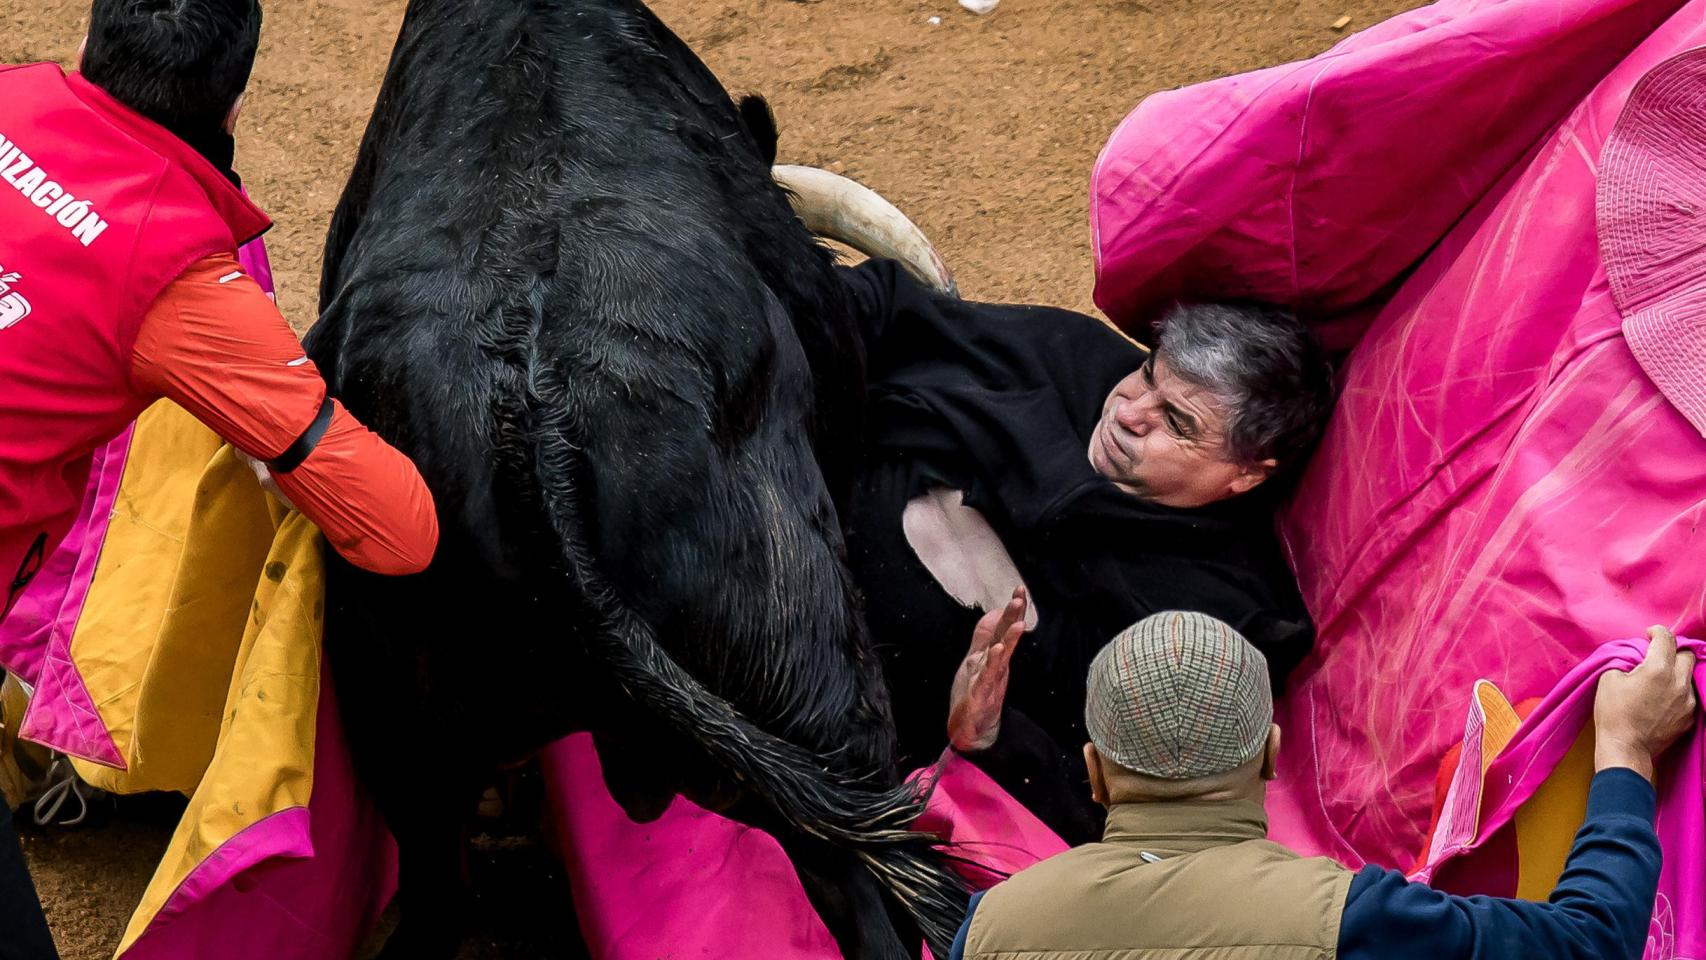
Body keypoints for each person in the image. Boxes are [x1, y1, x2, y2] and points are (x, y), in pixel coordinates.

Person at [0, 2, 441, 955]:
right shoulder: (175, 279)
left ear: (82, 45)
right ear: (234, 106)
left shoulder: (9, 96)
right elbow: (399, 531)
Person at [838, 259, 1334, 836]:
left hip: (853, 735)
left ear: (1247, 473)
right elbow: (883, 307)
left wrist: (993, 737)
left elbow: (1134, 811)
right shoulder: (1069, 355)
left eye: (1174, 422)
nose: (1127, 411)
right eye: (1149, 374)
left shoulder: (1214, 622)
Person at [947, 611, 1696, 960]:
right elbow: (1592, 945)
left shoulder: (987, 929)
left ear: (1093, 772)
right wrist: (1627, 750)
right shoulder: (1352, 919)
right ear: (1271, 757)